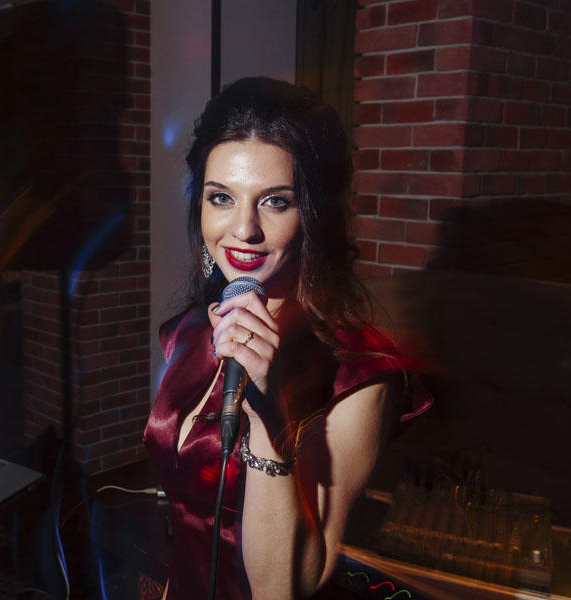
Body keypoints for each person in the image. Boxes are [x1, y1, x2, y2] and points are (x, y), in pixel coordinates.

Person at [143, 77, 432, 598]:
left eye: (276, 202)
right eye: (221, 197)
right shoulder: (191, 332)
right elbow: (187, 530)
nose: (243, 229)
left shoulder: (358, 373)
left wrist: (268, 420)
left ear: (313, 215)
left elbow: (293, 584)